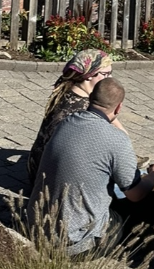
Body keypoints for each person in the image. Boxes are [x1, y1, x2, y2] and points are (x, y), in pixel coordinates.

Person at [28, 77, 154, 255]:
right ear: (119, 107)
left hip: (34, 228)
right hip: (75, 245)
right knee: (143, 203)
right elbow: (135, 194)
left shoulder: (66, 122)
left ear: (90, 98)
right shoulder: (117, 139)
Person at [26, 48, 114, 187]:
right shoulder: (84, 109)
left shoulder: (67, 89)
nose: (109, 79)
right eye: (105, 74)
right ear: (89, 75)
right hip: (53, 183)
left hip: (36, 169)